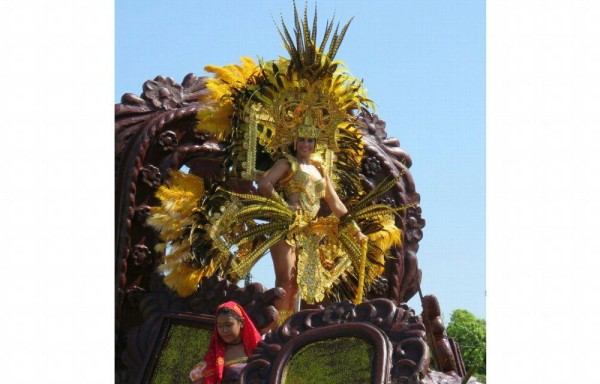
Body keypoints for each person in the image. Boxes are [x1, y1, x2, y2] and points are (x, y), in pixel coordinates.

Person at [257, 132, 368, 320]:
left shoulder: (320, 170)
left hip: (309, 232)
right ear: (294, 141)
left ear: (316, 143)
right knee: (286, 280)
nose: (305, 144)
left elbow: (335, 203)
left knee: (298, 285)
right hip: (286, 227)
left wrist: (356, 230)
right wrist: (284, 206)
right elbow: (264, 183)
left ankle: (288, 326)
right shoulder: (287, 163)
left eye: (309, 140)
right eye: (301, 139)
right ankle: (277, 328)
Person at [190, 301, 262, 384]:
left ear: (241, 323)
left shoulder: (258, 349)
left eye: (228, 325)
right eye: (219, 326)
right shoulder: (215, 355)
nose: (224, 330)